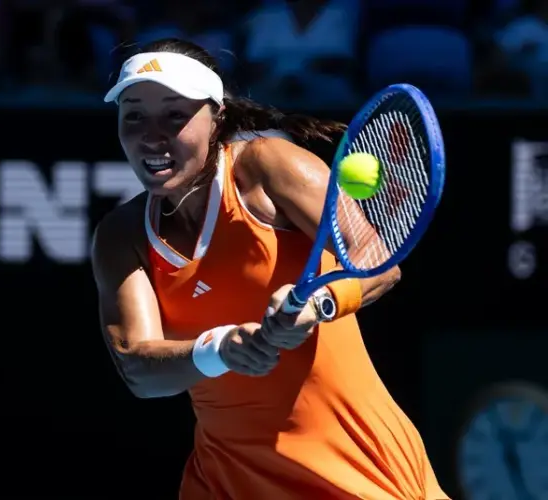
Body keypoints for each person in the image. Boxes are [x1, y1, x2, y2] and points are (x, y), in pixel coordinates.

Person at [91, 37, 449, 500]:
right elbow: (137, 367)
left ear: (216, 118)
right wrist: (221, 349)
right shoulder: (122, 236)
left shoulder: (269, 168)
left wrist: (320, 304)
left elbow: (378, 264)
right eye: (134, 115)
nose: (151, 135)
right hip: (227, 482)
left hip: (355, 469)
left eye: (175, 115)